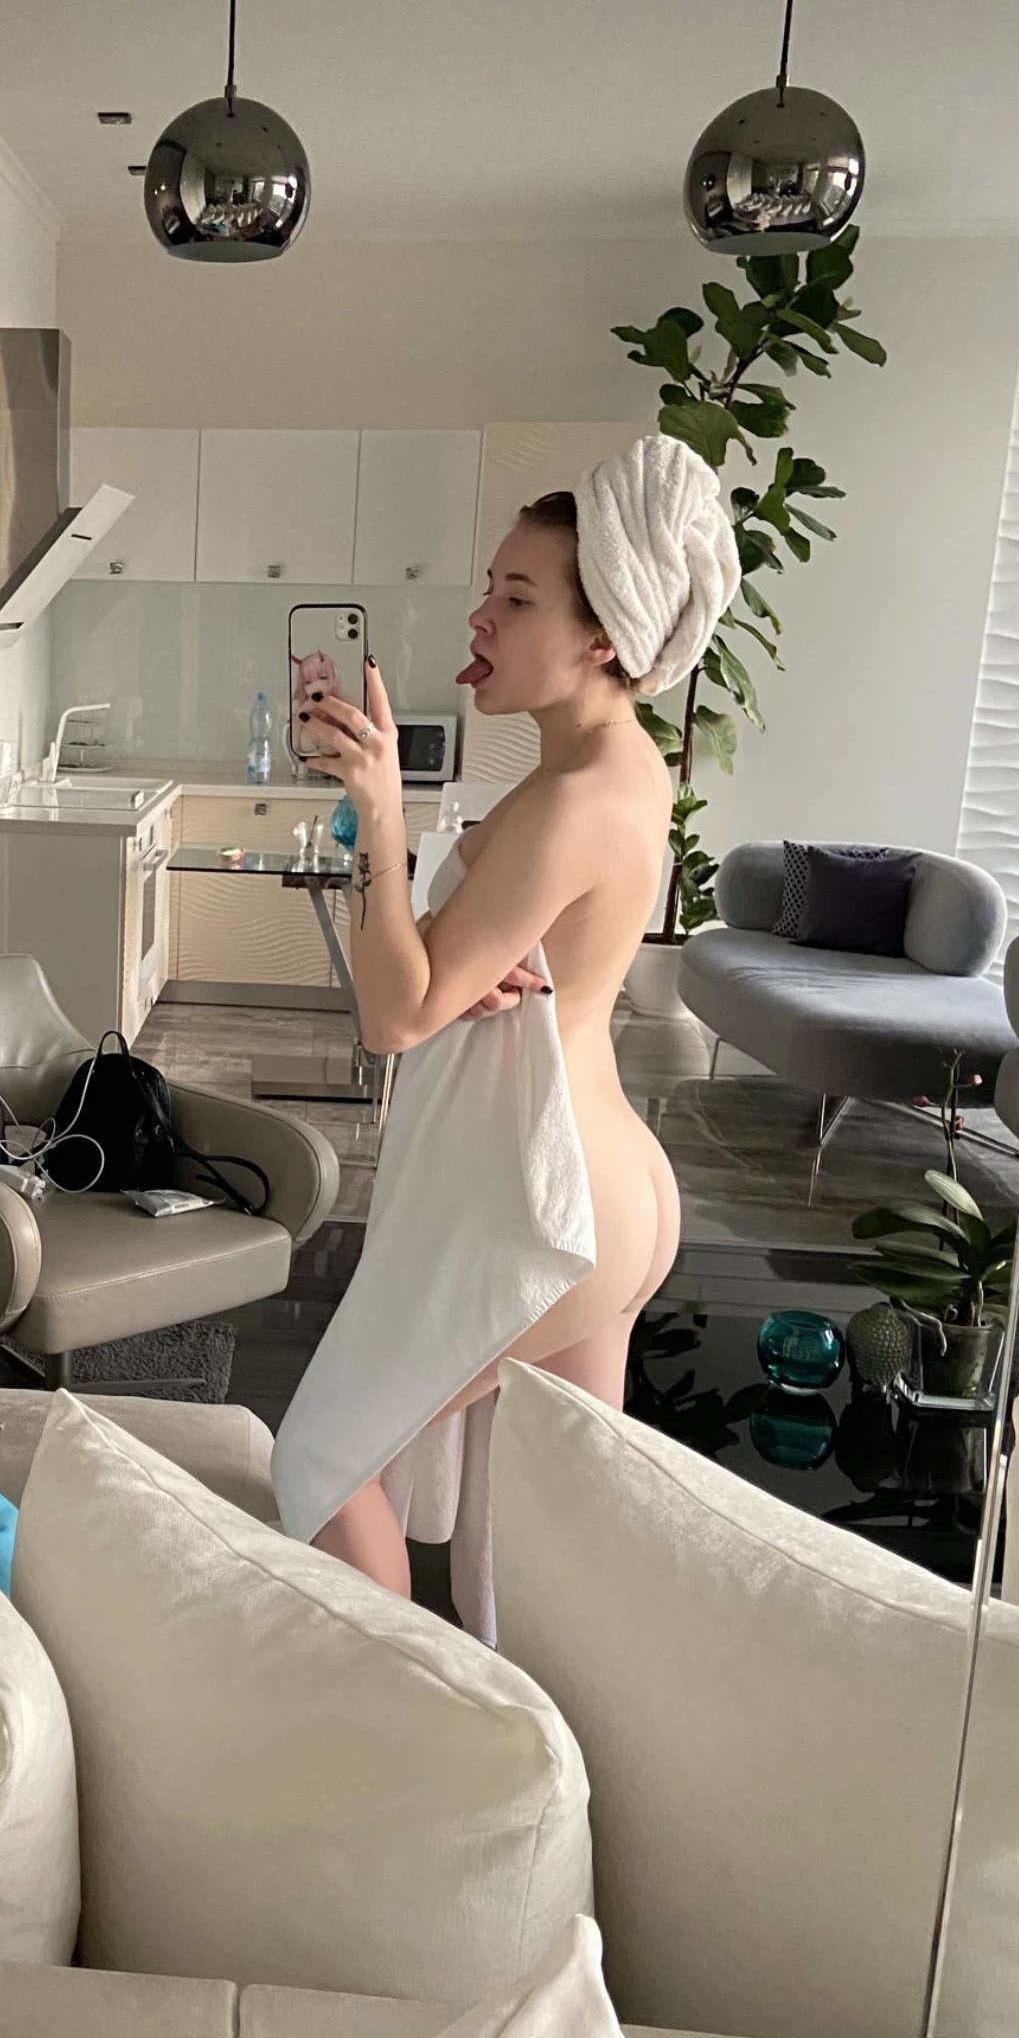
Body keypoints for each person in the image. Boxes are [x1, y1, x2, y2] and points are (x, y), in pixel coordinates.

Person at [269, 432, 740, 1609]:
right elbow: (465, 958)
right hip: (609, 1182)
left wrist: (378, 816)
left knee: (322, 1460)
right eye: (490, 587)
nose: (480, 615)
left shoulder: (572, 798)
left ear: (604, 636)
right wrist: (455, 959)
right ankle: (526, 1714)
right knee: (539, 1536)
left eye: (517, 597)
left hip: (542, 1202)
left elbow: (394, 1014)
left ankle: (401, 1701)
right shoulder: (620, 767)